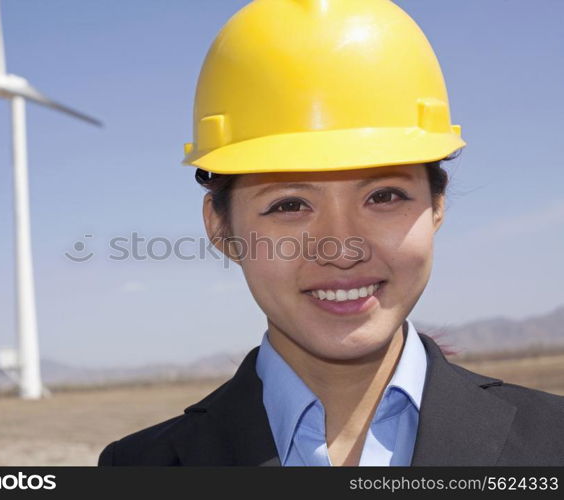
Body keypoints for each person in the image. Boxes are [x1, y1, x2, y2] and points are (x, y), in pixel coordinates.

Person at [98, 0, 564, 466]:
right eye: (289, 205)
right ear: (221, 227)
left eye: (383, 196)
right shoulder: (139, 467)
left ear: (437, 205)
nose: (343, 250)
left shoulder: (552, 443)